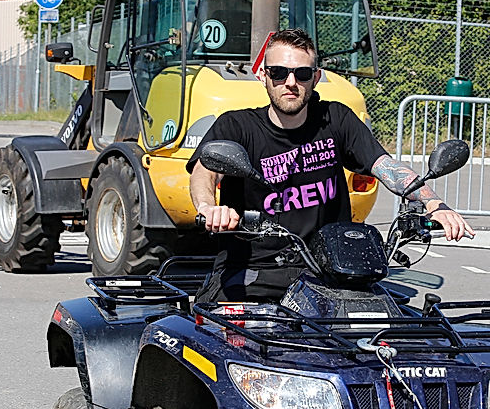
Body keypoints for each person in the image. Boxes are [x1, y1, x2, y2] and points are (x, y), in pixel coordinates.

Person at [187, 29, 475, 303]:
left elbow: (385, 166)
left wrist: (434, 203)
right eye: (279, 73)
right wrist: (207, 207)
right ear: (263, 74)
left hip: (329, 267)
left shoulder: (336, 119)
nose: (290, 83)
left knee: (381, 333)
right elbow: (205, 170)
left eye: (302, 74)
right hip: (256, 268)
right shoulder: (237, 125)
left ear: (315, 77)